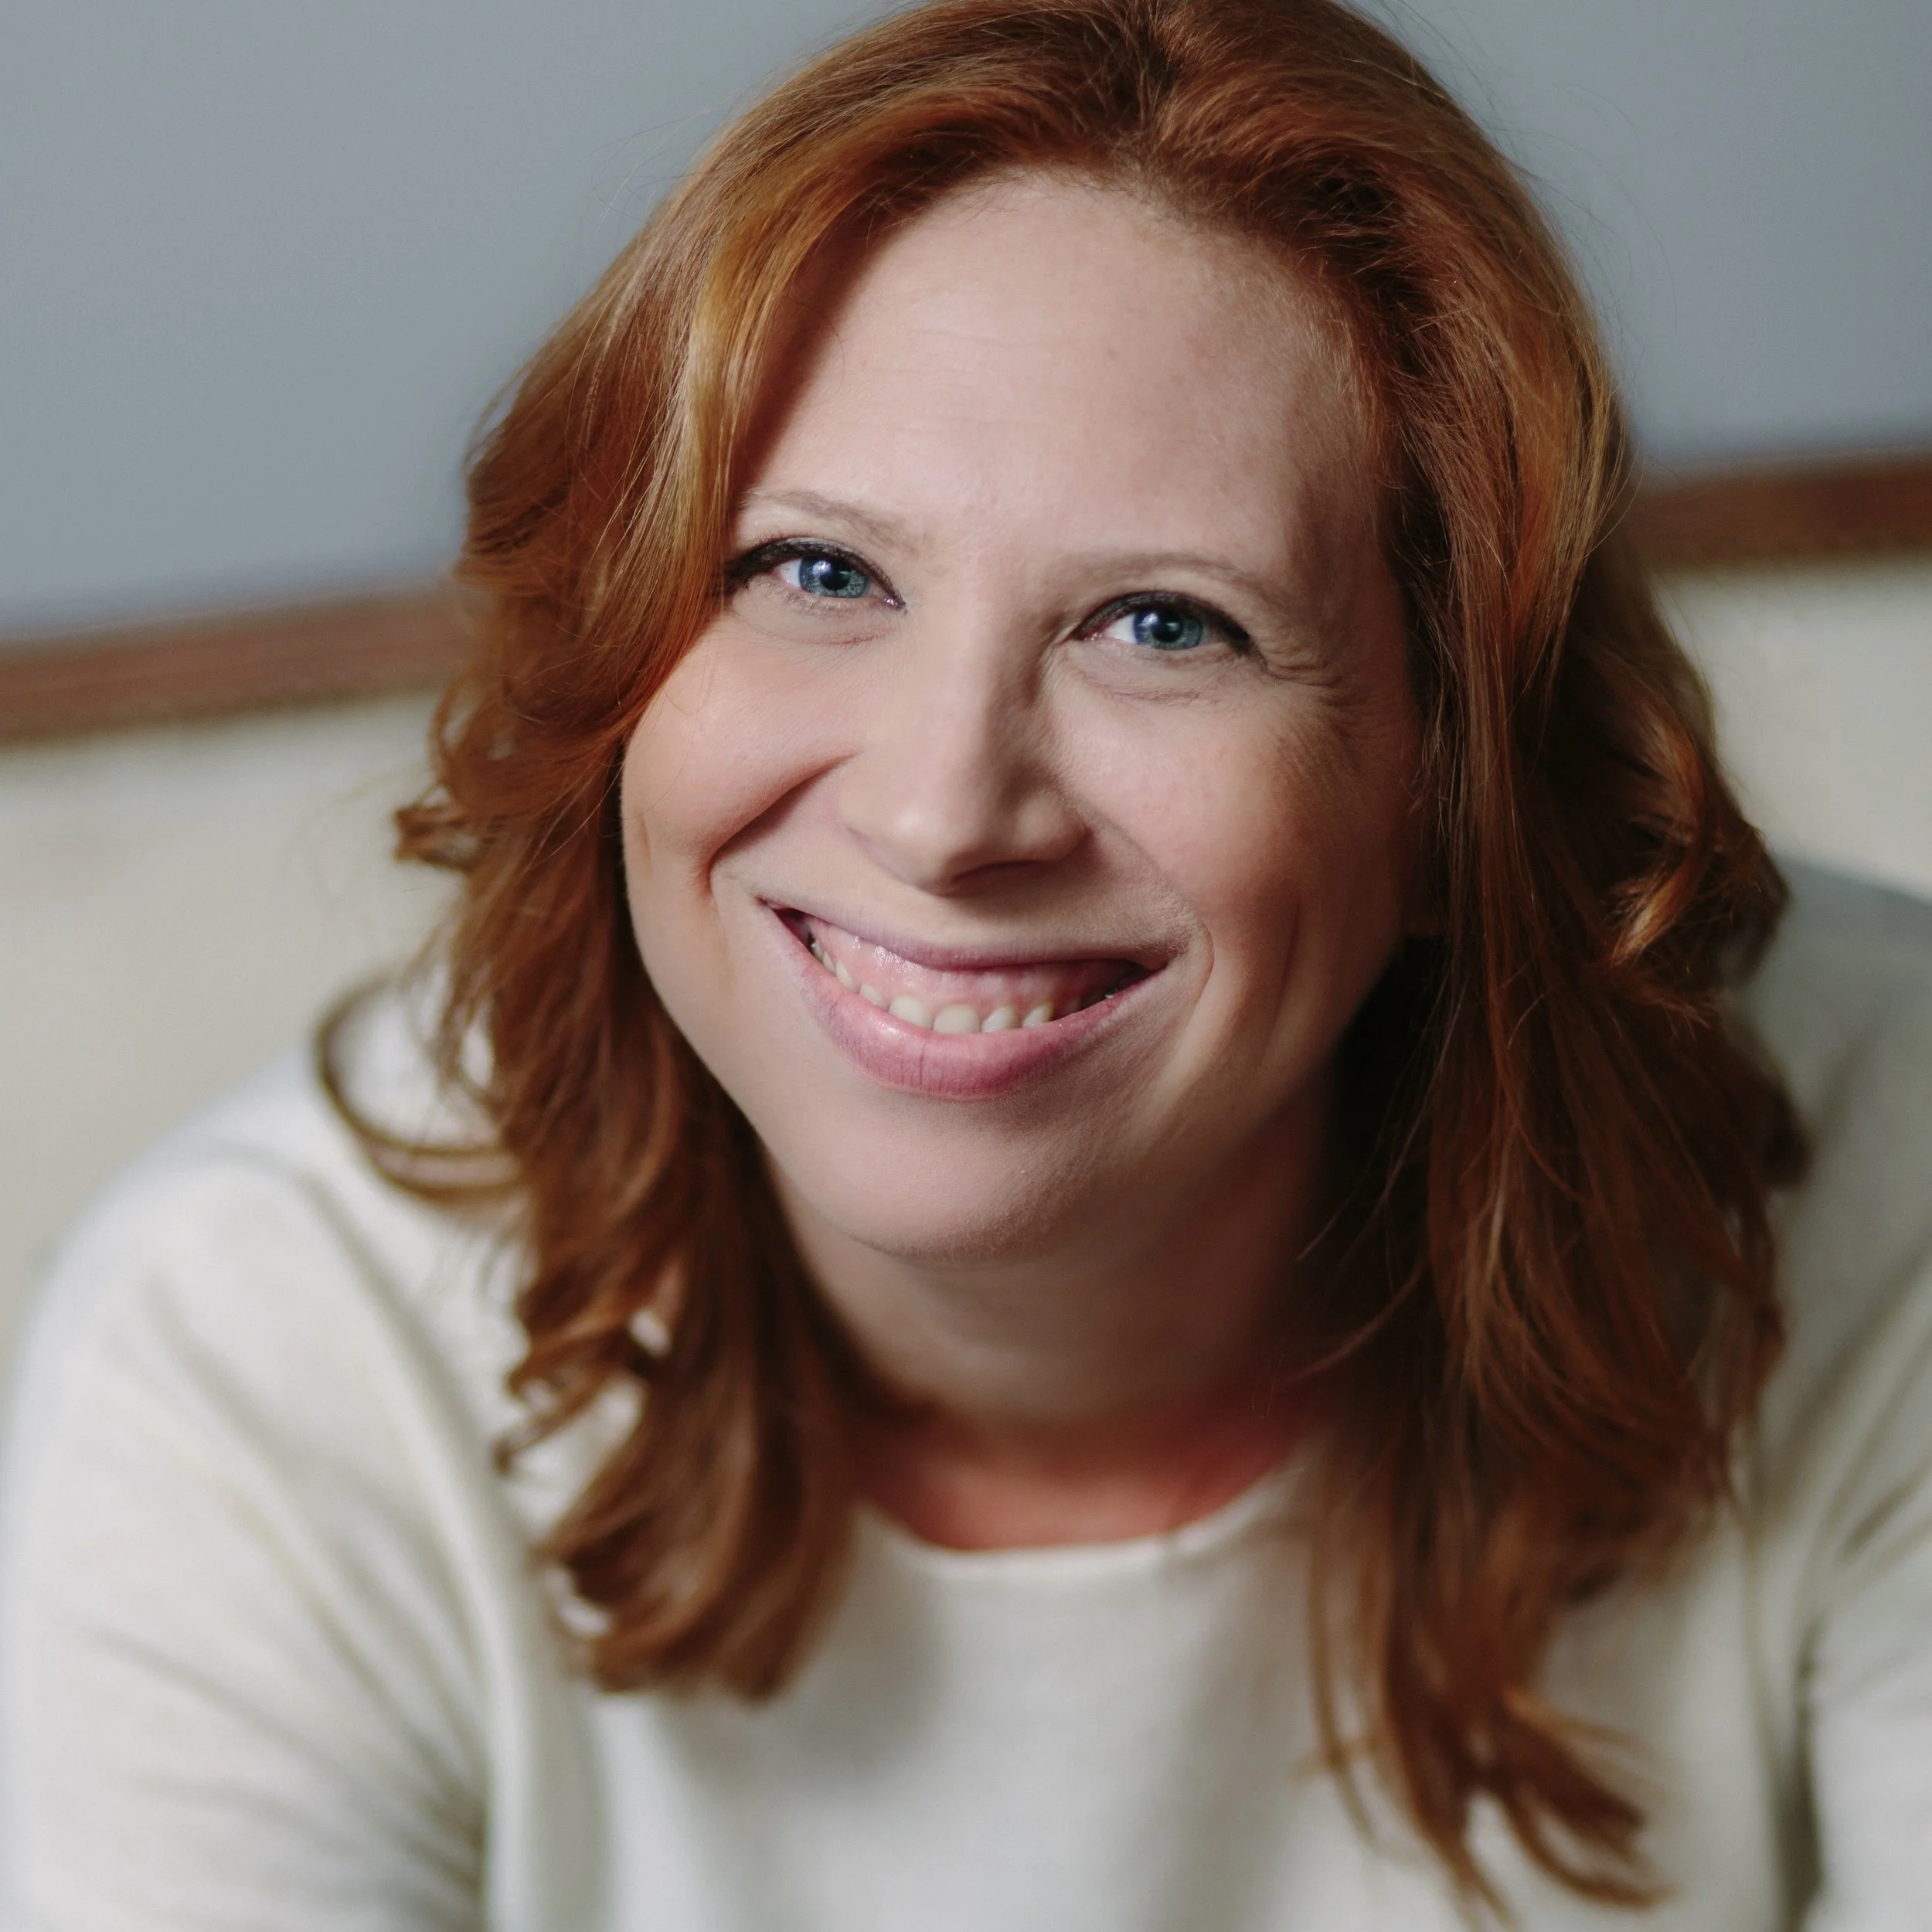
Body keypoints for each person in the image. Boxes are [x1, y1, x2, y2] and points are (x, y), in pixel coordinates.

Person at [3, 0, 1930, 1924]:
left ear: (1450, 801)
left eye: (1163, 623)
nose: (942, 812)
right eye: (817, 573)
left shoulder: (1882, 1162)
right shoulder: (265, 1362)